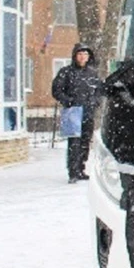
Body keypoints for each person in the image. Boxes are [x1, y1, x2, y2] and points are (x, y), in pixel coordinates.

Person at [51, 44, 104, 183]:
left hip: (88, 112)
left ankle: (81, 169)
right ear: (75, 56)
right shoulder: (66, 72)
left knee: (85, 141)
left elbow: (99, 91)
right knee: (74, 142)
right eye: (80, 54)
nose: (82, 57)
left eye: (85, 54)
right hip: (72, 112)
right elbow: (56, 90)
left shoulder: (92, 73)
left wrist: (95, 102)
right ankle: (73, 171)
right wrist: (69, 101)